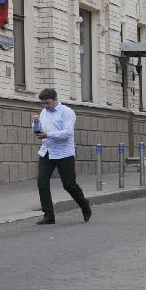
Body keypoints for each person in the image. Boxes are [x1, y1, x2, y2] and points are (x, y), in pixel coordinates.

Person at [32, 88, 91, 225]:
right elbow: (38, 131)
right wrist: (36, 125)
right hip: (46, 151)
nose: (45, 106)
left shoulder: (67, 112)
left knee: (69, 184)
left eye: (47, 103)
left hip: (64, 153)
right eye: (43, 104)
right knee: (42, 183)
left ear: (55, 99)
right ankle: (49, 216)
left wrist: (48, 134)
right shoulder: (43, 112)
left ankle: (84, 205)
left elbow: (68, 133)